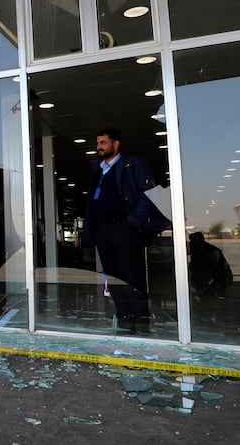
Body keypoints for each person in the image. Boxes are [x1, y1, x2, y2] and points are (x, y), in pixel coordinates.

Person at [83, 128, 166, 334]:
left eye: (103, 143)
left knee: (132, 277)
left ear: (116, 144)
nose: (99, 147)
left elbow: (149, 194)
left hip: (124, 228)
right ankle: (125, 324)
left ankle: (142, 325)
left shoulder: (134, 164)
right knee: (113, 278)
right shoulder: (98, 169)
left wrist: (132, 222)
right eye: (98, 143)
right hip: (103, 230)